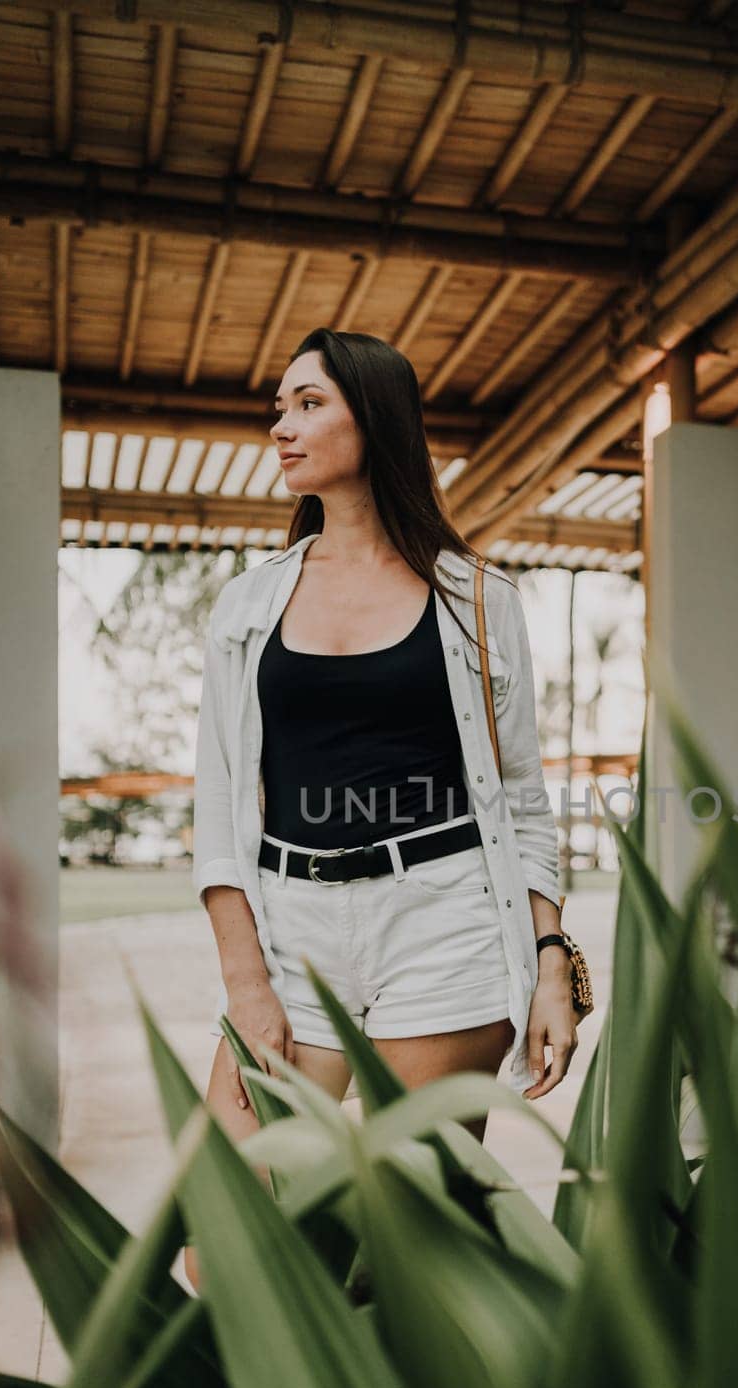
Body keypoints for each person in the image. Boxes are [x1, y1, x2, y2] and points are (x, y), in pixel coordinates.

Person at [185, 329, 576, 1290]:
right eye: (279, 407)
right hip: (292, 924)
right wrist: (245, 981)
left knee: (410, 1245)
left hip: (443, 924)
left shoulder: (481, 600)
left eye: (307, 403)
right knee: (225, 1242)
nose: (281, 426)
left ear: (378, 415)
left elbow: (522, 797)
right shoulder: (249, 603)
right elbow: (217, 799)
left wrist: (552, 959)